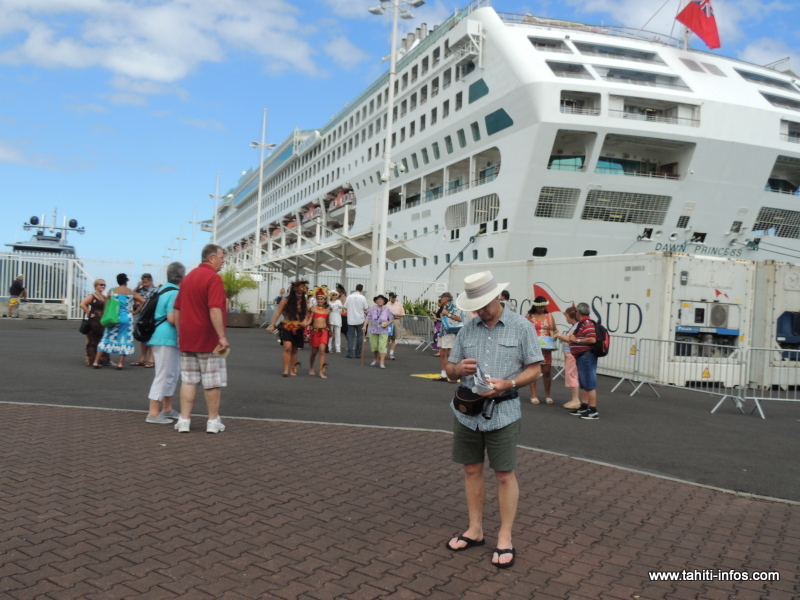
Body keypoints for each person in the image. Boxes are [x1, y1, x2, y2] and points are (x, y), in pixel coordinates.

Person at [445, 270, 543, 569]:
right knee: (471, 469)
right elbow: (449, 370)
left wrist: (510, 383)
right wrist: (457, 369)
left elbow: (535, 368)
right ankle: (475, 530)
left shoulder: (521, 326)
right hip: (467, 413)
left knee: (504, 474)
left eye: (486, 303)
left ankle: (505, 536)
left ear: (498, 296)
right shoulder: (467, 329)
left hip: (503, 411)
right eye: (476, 305)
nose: (481, 310)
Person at [173, 245, 229, 434]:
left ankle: (184, 420)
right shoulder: (213, 278)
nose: (224, 260)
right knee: (212, 381)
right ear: (212, 258)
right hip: (208, 339)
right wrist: (221, 336)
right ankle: (212, 421)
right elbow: (215, 308)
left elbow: (177, 309)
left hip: (188, 339)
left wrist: (181, 333)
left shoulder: (187, 279)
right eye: (222, 257)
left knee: (188, 380)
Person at [145, 262, 185, 424]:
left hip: (160, 335)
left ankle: (167, 408)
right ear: (182, 276)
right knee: (165, 374)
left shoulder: (163, 289)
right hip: (167, 336)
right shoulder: (175, 292)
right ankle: (153, 412)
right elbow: (172, 317)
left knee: (171, 372)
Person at [94, 274, 145, 370]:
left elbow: (106, 302)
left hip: (113, 317)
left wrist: (105, 313)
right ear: (126, 280)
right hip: (126, 318)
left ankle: (96, 361)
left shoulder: (112, 290)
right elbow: (144, 301)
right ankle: (120, 363)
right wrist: (135, 311)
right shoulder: (131, 292)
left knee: (106, 337)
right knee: (125, 339)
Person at [268, 279, 311, 377]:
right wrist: (272, 325)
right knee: (287, 347)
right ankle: (286, 369)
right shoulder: (285, 300)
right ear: (293, 291)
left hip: (298, 327)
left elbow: (308, 315)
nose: (299, 294)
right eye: (297, 292)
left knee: (295, 350)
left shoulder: (305, 302)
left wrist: (305, 321)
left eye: (301, 293)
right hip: (286, 326)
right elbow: (278, 312)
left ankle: (292, 369)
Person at [566, 302, 599, 420]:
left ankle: (593, 410)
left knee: (589, 383)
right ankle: (584, 406)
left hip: (587, 356)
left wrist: (577, 341)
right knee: (584, 383)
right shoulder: (583, 323)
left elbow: (592, 339)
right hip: (582, 356)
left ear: (578, 312)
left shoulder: (587, 323)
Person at [526, 296, 557, 405]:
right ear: (535, 306)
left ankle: (547, 395)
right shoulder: (529, 316)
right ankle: (533, 394)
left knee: (547, 371)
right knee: (533, 371)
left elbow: (554, 330)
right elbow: (524, 330)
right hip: (533, 347)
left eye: (544, 307)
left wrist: (554, 336)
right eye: (540, 307)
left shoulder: (549, 316)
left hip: (546, 348)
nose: (542, 309)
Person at [554, 306, 581, 410]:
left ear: (572, 317)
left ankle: (575, 400)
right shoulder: (575, 326)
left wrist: (559, 335)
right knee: (571, 375)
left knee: (571, 375)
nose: (566, 318)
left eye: (567, 316)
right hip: (569, 354)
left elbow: (571, 339)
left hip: (572, 354)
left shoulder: (576, 327)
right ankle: (575, 399)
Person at [79, 279, 110, 367]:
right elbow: (82, 304)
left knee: (101, 340)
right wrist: (89, 313)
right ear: (96, 286)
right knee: (92, 341)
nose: (103, 286)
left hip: (102, 322)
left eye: (104, 285)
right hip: (94, 322)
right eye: (101, 285)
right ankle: (91, 360)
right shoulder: (92, 296)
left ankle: (102, 360)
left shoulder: (103, 297)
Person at [433, 292, 462, 383]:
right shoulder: (445, 307)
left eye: (441, 298)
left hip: (450, 332)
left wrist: (447, 314)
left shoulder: (454, 306)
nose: (440, 300)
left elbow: (460, 318)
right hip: (444, 331)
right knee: (444, 353)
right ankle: (446, 374)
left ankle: (452, 374)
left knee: (448, 353)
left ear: (446, 298)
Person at [132, 273, 157, 367]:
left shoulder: (155, 291)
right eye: (143, 282)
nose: (144, 284)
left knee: (150, 337)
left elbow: (151, 302)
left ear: (151, 281)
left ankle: (151, 359)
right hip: (140, 316)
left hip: (150, 316)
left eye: (146, 282)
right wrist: (137, 286)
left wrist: (141, 301)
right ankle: (142, 358)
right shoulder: (140, 290)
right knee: (142, 337)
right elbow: (130, 295)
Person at [364, 294, 394, 368]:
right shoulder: (372, 308)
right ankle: (375, 359)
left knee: (382, 346)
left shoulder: (386, 309)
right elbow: (368, 318)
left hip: (383, 330)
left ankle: (382, 362)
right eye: (378, 300)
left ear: (384, 301)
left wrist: (387, 323)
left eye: (381, 300)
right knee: (374, 346)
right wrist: (364, 326)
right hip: (374, 329)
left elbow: (391, 319)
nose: (380, 301)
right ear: (376, 301)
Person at [309, 288, 330, 378]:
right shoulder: (312, 309)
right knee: (314, 352)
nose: (320, 300)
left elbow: (328, 322)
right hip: (315, 332)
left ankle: (321, 371)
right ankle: (311, 367)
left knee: (322, 351)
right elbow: (309, 321)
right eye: (318, 299)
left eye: (321, 299)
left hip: (324, 332)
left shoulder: (327, 311)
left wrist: (331, 332)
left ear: (325, 300)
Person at [344, 283, 368, 359]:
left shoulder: (349, 297)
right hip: (360, 319)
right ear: (361, 290)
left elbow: (345, 307)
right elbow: (366, 308)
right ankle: (358, 354)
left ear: (355, 288)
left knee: (350, 336)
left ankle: (350, 353)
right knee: (359, 337)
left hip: (351, 319)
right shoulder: (362, 297)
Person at [386, 292, 405, 360]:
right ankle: (384, 353)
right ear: (390, 297)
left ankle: (391, 353)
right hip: (388, 321)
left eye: (395, 297)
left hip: (396, 320)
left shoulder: (399, 304)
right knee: (386, 338)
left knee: (393, 338)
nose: (394, 298)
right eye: (393, 297)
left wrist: (396, 315)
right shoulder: (387, 304)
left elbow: (403, 314)